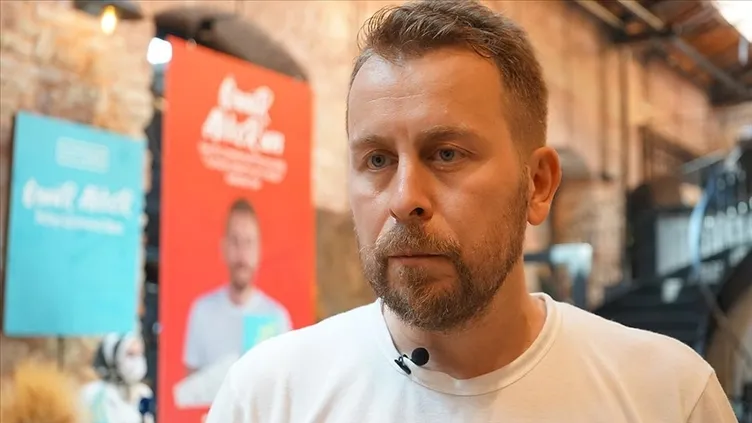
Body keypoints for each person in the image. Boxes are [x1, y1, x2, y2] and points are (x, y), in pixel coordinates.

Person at [206, 1, 738, 422]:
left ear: (538, 184)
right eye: (377, 160)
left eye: (447, 154)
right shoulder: (268, 398)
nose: (404, 199)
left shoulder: (667, 396)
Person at [183, 198, 292, 374]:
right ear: (224, 248)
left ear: (259, 250)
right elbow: (190, 384)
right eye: (235, 241)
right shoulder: (202, 311)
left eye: (248, 242)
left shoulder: (278, 318)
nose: (242, 253)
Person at [81, 332, 154, 423]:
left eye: (140, 353)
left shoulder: (144, 393)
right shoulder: (93, 394)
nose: (137, 361)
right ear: (114, 357)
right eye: (130, 354)